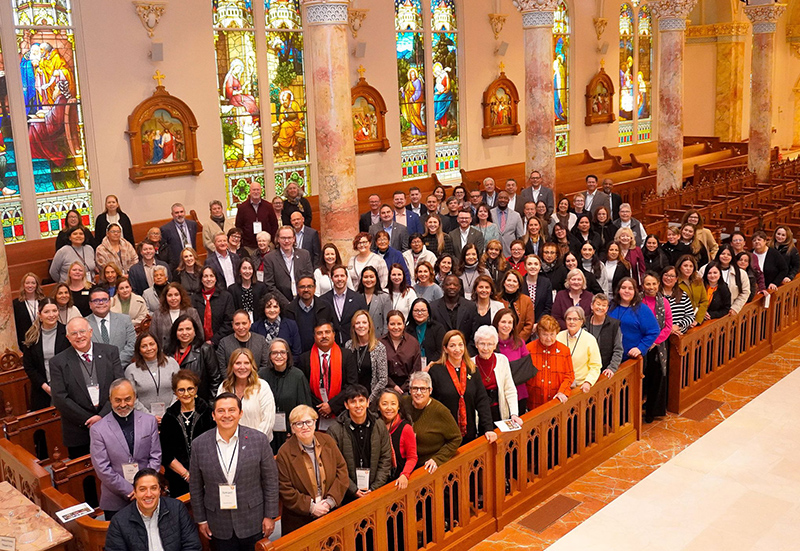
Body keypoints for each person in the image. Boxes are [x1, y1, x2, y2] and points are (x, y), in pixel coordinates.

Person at [190, 393, 280, 548]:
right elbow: (195, 486)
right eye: (221, 411)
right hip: (217, 523)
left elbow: (271, 480)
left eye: (232, 410)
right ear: (213, 415)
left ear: (240, 414)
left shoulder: (259, 440)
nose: (226, 415)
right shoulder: (199, 445)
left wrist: (270, 515)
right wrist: (201, 520)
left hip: (253, 519)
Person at [89, 378, 161, 519]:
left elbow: (156, 456)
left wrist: (144, 487)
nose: (123, 405)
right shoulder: (98, 429)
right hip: (115, 499)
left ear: (135, 397)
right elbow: (102, 468)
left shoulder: (149, 421)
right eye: (117, 400)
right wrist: (131, 490)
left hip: (148, 496)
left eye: (127, 399)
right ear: (110, 399)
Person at [275, 405, 349, 534]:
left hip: (330, 512)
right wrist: (311, 507)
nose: (305, 427)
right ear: (292, 428)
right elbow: (285, 488)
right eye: (299, 424)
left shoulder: (328, 441)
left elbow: (342, 471)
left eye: (308, 422)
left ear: (315, 423)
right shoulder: (284, 452)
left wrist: (330, 502)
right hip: (299, 519)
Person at [105, 467, 202, 551]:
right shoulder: (119, 522)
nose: (148, 494)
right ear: (134, 492)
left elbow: (192, 546)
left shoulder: (177, 509)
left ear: (160, 490)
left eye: (153, 488)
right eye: (142, 489)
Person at [428, 330, 497, 445]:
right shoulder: (436, 370)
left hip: (469, 432)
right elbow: (431, 404)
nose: (457, 349)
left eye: (460, 345)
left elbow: (482, 401)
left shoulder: (472, 369)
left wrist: (488, 428)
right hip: (444, 433)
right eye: (452, 345)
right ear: (445, 349)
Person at [327, 385, 392, 501]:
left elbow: (386, 458)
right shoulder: (335, 430)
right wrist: (353, 490)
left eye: (361, 401)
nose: (358, 405)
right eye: (353, 402)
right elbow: (334, 465)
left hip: (375, 491)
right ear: (346, 405)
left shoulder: (379, 425)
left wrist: (375, 487)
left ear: (368, 402)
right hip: (347, 494)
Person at [159, 370, 215, 498]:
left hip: (207, 476)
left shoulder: (208, 413)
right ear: (175, 392)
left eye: (190, 389)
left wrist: (201, 474)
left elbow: (214, 446)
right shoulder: (169, 417)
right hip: (178, 478)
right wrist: (186, 475)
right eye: (181, 390)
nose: (186, 393)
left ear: (196, 389)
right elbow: (166, 453)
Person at [297, 321, 358, 422]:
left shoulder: (346, 355)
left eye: (327, 332)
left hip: (341, 411)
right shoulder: (305, 358)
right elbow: (304, 388)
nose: (324, 336)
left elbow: (352, 385)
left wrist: (331, 405)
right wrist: (321, 408)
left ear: (333, 334)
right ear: (314, 336)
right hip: (314, 413)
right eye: (319, 333)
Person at [400, 371, 461, 472]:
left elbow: (456, 438)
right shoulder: (404, 402)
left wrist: (438, 459)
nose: (418, 392)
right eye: (415, 388)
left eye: (423, 389)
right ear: (410, 390)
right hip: (405, 463)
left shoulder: (441, 411)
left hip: (427, 467)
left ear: (430, 390)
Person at [259, 339, 313, 453]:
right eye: (275, 353)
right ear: (269, 356)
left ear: (288, 355)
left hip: (291, 434)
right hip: (267, 432)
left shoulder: (298, 376)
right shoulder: (261, 376)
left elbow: (304, 408)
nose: (279, 356)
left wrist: (294, 431)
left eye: (283, 352)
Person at [22, 298, 70, 410]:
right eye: (47, 312)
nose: (51, 315)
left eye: (54, 311)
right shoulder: (31, 336)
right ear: (39, 314)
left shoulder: (67, 332)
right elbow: (29, 367)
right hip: (42, 390)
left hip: (67, 388)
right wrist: (45, 386)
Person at [218, 348, 276, 441]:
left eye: (246, 363)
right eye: (238, 363)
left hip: (258, 444)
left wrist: (251, 442)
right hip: (231, 444)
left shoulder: (262, 386)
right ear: (232, 366)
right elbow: (220, 416)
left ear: (252, 365)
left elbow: (268, 420)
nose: (242, 367)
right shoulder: (224, 387)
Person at [165, 315, 222, 403]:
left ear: (195, 331)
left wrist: (211, 405)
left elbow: (215, 380)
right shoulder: (167, 351)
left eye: (188, 329)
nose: (184, 333)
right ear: (175, 333)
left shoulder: (205, 349)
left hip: (200, 403)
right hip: (172, 403)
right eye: (180, 330)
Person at [473, 325, 522, 424]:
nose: (485, 348)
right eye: (482, 343)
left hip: (499, 410)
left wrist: (514, 413)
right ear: (476, 344)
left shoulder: (502, 360)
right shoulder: (470, 364)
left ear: (495, 345)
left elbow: (510, 389)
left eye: (490, 344)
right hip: (479, 412)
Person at [125, 332, 180, 419]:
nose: (149, 348)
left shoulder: (171, 363)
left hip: (173, 415)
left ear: (157, 345)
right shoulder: (131, 370)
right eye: (144, 346)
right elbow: (131, 398)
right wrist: (149, 416)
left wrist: (169, 412)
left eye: (152, 344)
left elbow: (179, 391)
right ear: (139, 350)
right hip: (142, 417)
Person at [641, 273, 673, 422]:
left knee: (655, 378)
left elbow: (668, 326)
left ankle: (651, 412)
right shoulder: (638, 300)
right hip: (641, 345)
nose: (651, 287)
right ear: (642, 285)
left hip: (658, 347)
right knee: (642, 379)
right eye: (648, 284)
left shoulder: (664, 302)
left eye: (654, 284)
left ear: (658, 284)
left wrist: (655, 341)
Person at [525, 315, 574, 410]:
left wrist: (562, 392)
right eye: (545, 334)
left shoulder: (564, 351)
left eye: (552, 334)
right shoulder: (529, 349)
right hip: (533, 402)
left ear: (557, 333)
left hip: (556, 402)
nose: (548, 338)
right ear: (539, 333)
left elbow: (569, 376)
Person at [609, 277, 660, 360]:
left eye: (630, 288)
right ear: (618, 290)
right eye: (623, 288)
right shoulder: (611, 306)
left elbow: (654, 331)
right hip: (612, 357)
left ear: (635, 291)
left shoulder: (642, 309)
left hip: (632, 358)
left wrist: (640, 348)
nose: (626, 291)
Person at [375, 389, 417, 489]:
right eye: (384, 404)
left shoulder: (406, 428)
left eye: (393, 404)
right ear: (378, 407)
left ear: (398, 406)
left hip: (397, 480)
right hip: (377, 480)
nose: (389, 408)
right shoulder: (374, 427)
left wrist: (405, 474)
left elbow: (412, 457)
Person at [344, 310, 388, 403]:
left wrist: (369, 400)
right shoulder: (348, 345)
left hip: (371, 399)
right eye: (357, 323)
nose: (361, 326)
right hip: (352, 399)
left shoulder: (379, 348)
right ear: (353, 327)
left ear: (369, 326)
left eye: (364, 322)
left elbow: (383, 379)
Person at [283, 276, 335, 353]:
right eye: (302, 287)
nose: (306, 290)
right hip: (298, 356)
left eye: (309, 286)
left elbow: (334, 331)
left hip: (321, 355)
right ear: (297, 289)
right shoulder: (288, 310)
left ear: (315, 288)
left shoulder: (326, 307)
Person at [87, 286, 137, 365]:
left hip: (122, 368)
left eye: (104, 300)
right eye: (96, 300)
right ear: (90, 304)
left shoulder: (125, 320)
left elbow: (132, 344)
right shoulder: (84, 324)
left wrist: (115, 364)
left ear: (110, 302)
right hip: (95, 370)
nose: (101, 303)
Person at [320, 264, 368, 345]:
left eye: (342, 276)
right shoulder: (322, 300)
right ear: (331, 278)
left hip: (353, 343)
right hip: (331, 344)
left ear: (346, 277)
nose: (339, 279)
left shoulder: (358, 298)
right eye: (336, 276)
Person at [430, 275, 480, 350]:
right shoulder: (432, 307)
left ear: (459, 287)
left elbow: (474, 334)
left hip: (465, 353)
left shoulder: (471, 307)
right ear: (443, 287)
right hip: (440, 354)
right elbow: (431, 336)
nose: (452, 287)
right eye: (448, 284)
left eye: (455, 285)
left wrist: (465, 354)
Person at [190, 266, 235, 346]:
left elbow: (229, 322)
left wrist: (213, 341)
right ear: (201, 279)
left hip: (221, 343)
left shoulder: (226, 297)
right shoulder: (194, 298)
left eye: (211, 276)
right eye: (205, 276)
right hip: (198, 345)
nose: (209, 279)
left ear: (216, 279)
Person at [150, 282, 202, 348]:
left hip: (190, 353)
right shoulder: (157, 315)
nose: (173, 298)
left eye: (176, 295)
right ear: (165, 297)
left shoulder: (191, 312)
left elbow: (200, 335)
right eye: (170, 295)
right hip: (165, 353)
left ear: (181, 296)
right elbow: (152, 337)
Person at [381, 310, 422, 394]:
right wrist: (393, 386)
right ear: (387, 325)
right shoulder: (379, 343)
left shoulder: (413, 343)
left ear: (404, 325)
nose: (396, 327)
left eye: (399, 324)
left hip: (408, 389)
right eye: (392, 324)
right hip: (385, 388)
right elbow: (378, 370)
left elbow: (416, 369)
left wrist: (404, 388)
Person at [251, 292, 302, 357]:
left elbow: (296, 352)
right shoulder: (255, 327)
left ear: (280, 309)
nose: (272, 310)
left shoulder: (291, 325)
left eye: (275, 307)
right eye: (268, 307)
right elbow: (255, 353)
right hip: (263, 366)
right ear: (263, 309)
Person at [234, 181, 279, 254]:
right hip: (249, 246)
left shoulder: (268, 206)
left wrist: (273, 241)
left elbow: (274, 224)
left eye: (258, 190)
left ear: (261, 191)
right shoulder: (242, 207)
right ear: (250, 191)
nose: (256, 192)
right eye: (254, 190)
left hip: (267, 245)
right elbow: (238, 226)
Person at [584, 294, 623, 378]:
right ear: (592, 306)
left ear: (607, 308)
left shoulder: (614, 325)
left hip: (605, 371)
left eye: (604, 305)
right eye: (598, 304)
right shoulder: (584, 323)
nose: (600, 308)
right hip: (586, 371)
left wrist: (612, 368)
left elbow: (618, 350)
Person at [706, 244, 750, 315]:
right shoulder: (706, 268)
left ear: (732, 257)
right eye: (723, 253)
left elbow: (745, 292)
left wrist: (735, 308)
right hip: (707, 310)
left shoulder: (741, 273)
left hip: (729, 311)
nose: (725, 256)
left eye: (729, 254)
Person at [497, 270, 535, 342]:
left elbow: (529, 325)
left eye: (514, 281)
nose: (511, 283)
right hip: (498, 342)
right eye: (509, 280)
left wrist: (517, 341)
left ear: (518, 285)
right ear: (504, 283)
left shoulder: (526, 300)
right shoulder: (496, 299)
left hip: (519, 342)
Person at [227, 257, 268, 323]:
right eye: (244, 268)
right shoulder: (232, 289)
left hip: (258, 324)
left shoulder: (261, 287)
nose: (247, 271)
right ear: (239, 270)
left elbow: (264, 309)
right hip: (240, 324)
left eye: (250, 268)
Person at [406, 297, 445, 365]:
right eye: (416, 310)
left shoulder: (438, 328)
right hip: (412, 367)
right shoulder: (407, 331)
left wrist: (430, 365)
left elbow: (441, 351)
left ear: (428, 312)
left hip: (434, 366)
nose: (420, 313)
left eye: (423, 310)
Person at [357, 266, 392, 339]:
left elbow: (387, 322)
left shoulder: (385, 297)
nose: (369, 279)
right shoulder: (356, 296)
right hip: (359, 339)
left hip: (378, 339)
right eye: (366, 277)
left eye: (371, 277)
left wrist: (384, 340)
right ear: (362, 279)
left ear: (376, 278)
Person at [161, 203, 198, 269]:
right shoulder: (166, 229)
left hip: (192, 261)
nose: (179, 215)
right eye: (176, 213)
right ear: (172, 214)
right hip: (177, 264)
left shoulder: (193, 224)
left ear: (184, 212)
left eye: (181, 212)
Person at [660, 266, 696, 335]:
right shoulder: (656, 295)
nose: (668, 278)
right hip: (660, 335)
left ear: (676, 279)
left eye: (672, 276)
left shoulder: (683, 294)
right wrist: (667, 329)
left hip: (679, 334)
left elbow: (690, 316)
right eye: (666, 275)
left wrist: (678, 326)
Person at [13, 273, 45, 349]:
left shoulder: (43, 301)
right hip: (25, 342)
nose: (30, 286)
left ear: (37, 285)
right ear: (23, 285)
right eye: (27, 283)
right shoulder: (16, 304)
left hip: (43, 339)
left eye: (33, 283)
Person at [676, 255, 708, 326]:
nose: (688, 268)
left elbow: (704, 301)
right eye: (685, 266)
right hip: (682, 321)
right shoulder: (675, 283)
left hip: (698, 320)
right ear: (679, 267)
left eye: (691, 266)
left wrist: (698, 320)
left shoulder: (698, 281)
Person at [492, 190, 525, 256]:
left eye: (505, 198)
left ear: (508, 200)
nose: (503, 200)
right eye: (501, 198)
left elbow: (520, 236)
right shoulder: (490, 213)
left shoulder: (516, 215)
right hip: (493, 251)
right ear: (497, 199)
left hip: (510, 252)